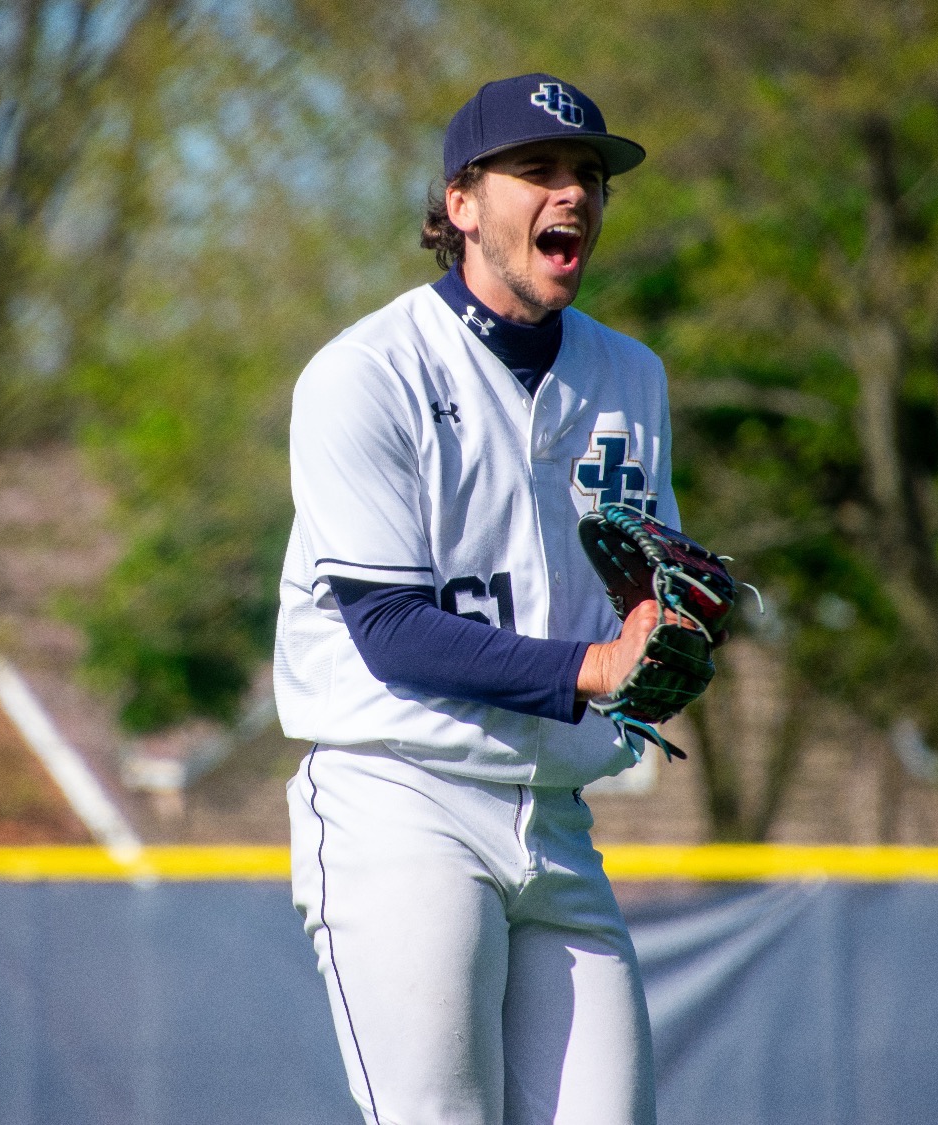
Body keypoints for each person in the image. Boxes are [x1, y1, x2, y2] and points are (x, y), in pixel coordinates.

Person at [274, 74, 679, 1125]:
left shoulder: (629, 376)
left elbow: (643, 587)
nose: (573, 194)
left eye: (588, 174)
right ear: (460, 202)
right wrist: (591, 669)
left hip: (553, 814)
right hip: (398, 798)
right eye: (537, 170)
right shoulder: (366, 373)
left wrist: (668, 632)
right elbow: (387, 631)